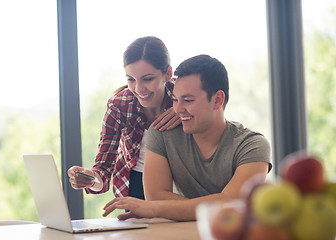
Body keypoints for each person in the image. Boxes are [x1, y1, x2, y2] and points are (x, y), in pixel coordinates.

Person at [102, 54, 272, 221]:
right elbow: (155, 196)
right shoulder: (161, 133)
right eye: (175, 100)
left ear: (217, 100)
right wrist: (213, 204)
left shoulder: (253, 145)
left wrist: (160, 209)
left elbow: (233, 203)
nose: (177, 109)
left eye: (188, 100)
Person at [67, 36, 181, 200]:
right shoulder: (119, 105)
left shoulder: (184, 95)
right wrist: (90, 180)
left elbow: (216, 102)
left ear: (168, 74)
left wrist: (182, 109)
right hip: (134, 187)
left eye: (147, 79)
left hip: (178, 184)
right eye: (131, 79)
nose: (139, 88)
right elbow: (104, 171)